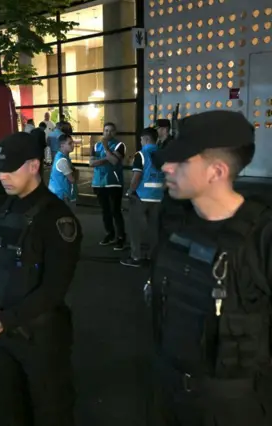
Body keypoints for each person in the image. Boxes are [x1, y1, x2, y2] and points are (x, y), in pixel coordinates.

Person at [147, 110, 272, 426]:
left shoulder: (262, 237)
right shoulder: (172, 219)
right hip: (167, 388)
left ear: (217, 171)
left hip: (231, 404)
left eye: (181, 161)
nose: (165, 167)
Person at [0, 132, 82, 426]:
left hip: (40, 336)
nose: (2, 176)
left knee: (50, 410)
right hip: (0, 332)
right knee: (9, 407)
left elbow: (54, 288)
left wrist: (5, 319)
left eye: (10, 169)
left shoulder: (56, 217)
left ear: (34, 165)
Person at [121, 127, 165, 268]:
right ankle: (153, 256)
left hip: (141, 196)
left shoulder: (141, 155)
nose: (140, 142)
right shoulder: (163, 154)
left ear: (146, 139)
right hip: (158, 196)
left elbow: (137, 177)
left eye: (141, 139)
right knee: (154, 229)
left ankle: (136, 257)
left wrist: (130, 191)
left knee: (136, 229)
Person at [89, 122, 126, 250]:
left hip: (113, 183)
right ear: (103, 131)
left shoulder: (119, 145)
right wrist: (106, 159)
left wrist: (106, 149)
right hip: (99, 183)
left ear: (115, 132)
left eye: (111, 131)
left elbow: (115, 161)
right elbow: (91, 163)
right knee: (105, 211)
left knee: (115, 211)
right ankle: (110, 234)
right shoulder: (96, 145)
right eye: (106, 130)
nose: (108, 133)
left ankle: (121, 237)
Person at [48, 134, 78, 205]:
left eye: (73, 142)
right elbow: (72, 179)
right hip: (61, 194)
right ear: (62, 145)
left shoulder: (62, 156)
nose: (73, 145)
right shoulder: (62, 160)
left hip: (59, 192)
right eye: (70, 143)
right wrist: (75, 173)